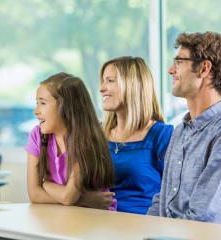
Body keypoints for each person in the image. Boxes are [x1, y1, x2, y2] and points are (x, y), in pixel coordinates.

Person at [147, 31, 221, 223]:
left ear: (204, 68)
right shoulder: (180, 130)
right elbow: (161, 199)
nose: (171, 70)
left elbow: (205, 217)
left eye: (179, 62)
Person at [25, 72, 116, 210]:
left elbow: (68, 197)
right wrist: (85, 200)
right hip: (65, 213)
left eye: (42, 103)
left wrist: (46, 185)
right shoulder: (36, 135)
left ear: (66, 106)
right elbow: (34, 195)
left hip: (95, 218)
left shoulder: (86, 139)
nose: (36, 111)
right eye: (37, 103)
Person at [100, 56, 173, 214]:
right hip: (98, 222)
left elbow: (175, 196)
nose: (101, 88)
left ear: (133, 85)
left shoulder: (162, 135)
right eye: (103, 81)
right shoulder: (97, 133)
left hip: (143, 225)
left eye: (110, 81)